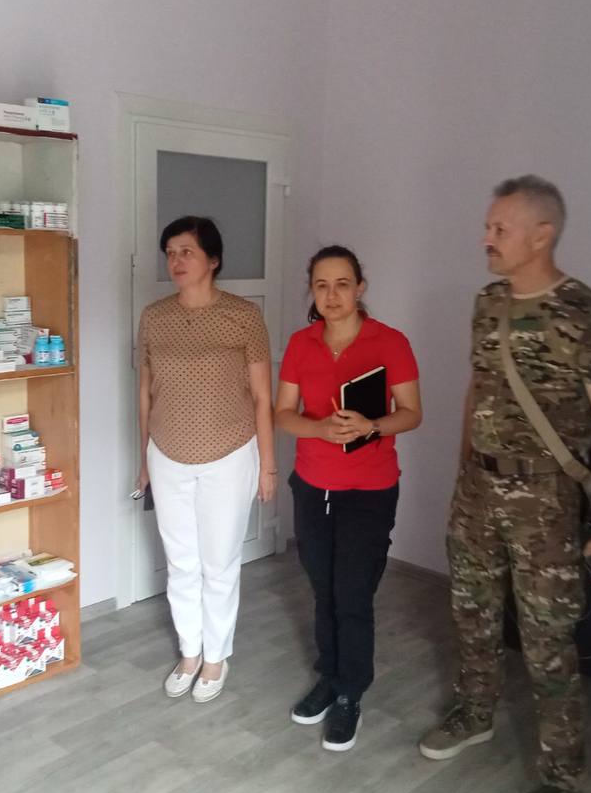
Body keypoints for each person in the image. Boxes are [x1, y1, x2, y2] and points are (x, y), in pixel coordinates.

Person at [417, 176, 591, 793]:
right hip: (478, 491)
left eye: (499, 229)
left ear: (542, 236)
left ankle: (561, 783)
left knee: (547, 644)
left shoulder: (590, 317)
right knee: (471, 613)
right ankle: (475, 711)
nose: (486, 237)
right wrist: (462, 474)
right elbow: (476, 391)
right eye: (488, 226)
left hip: (545, 504)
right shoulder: (487, 304)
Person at [275, 246, 422, 752]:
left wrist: (371, 425)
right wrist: (319, 429)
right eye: (321, 285)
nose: (332, 294)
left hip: (369, 490)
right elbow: (283, 413)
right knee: (324, 591)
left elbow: (412, 412)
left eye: (342, 283)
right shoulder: (301, 343)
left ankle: (349, 692)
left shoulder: (390, 342)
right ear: (312, 291)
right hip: (313, 485)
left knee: (353, 595)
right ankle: (330, 675)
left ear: (360, 287)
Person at [135, 216, 276, 703]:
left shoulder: (243, 316)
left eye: (187, 251)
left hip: (230, 454)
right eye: (170, 252)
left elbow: (262, 397)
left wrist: (268, 466)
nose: (176, 261)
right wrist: (143, 459)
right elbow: (145, 394)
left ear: (213, 260)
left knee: (219, 563)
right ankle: (190, 652)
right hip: (166, 454)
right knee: (180, 563)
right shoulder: (154, 317)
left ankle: (216, 657)